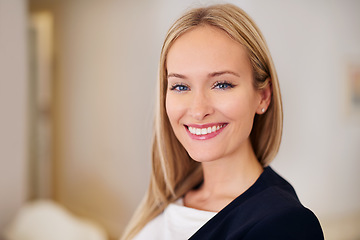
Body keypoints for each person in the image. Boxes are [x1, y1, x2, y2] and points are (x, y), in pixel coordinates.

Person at [121, 3, 324, 240]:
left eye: (222, 84)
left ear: (263, 96)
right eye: (180, 86)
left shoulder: (286, 225)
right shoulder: (171, 195)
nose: (198, 110)